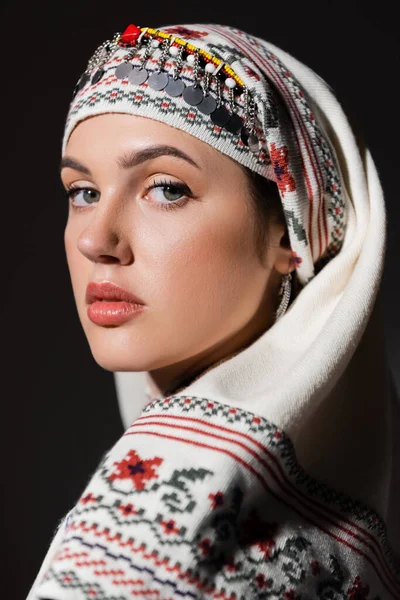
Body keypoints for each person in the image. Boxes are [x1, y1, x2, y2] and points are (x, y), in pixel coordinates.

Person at [27, 22, 400, 600]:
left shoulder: (145, 525)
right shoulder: (356, 528)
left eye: (167, 188)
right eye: (83, 191)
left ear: (290, 232)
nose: (95, 239)